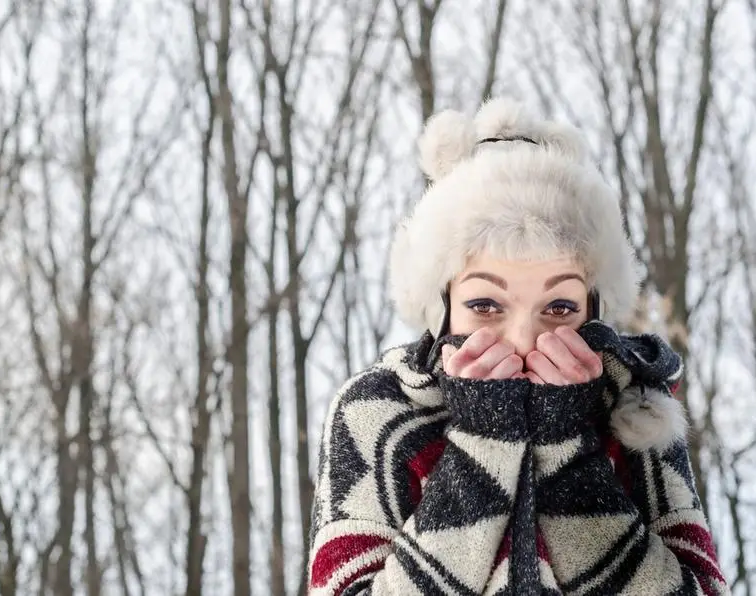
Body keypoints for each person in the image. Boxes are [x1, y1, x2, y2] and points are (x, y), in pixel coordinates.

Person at [306, 98, 729, 595]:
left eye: (559, 308)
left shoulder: (638, 413)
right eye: (486, 305)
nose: (525, 340)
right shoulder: (376, 414)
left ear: (594, 307)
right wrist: (484, 444)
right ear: (442, 306)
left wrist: (567, 451)